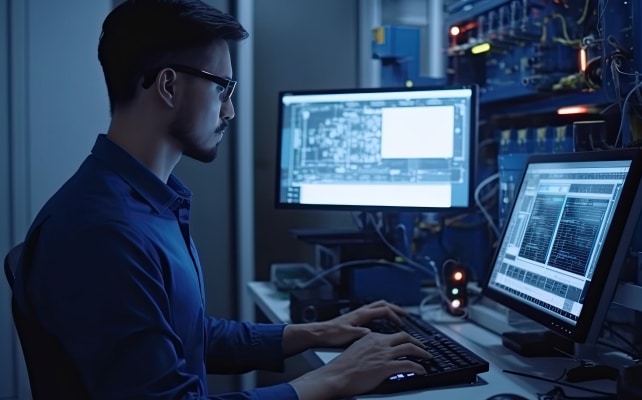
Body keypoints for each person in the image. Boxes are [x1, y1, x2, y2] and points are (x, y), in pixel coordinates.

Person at [10, 1, 431, 399]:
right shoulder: (103, 234)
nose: (229, 111)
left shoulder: (144, 203)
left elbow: (186, 334)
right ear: (169, 86)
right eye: (223, 88)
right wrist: (335, 377)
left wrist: (317, 332)